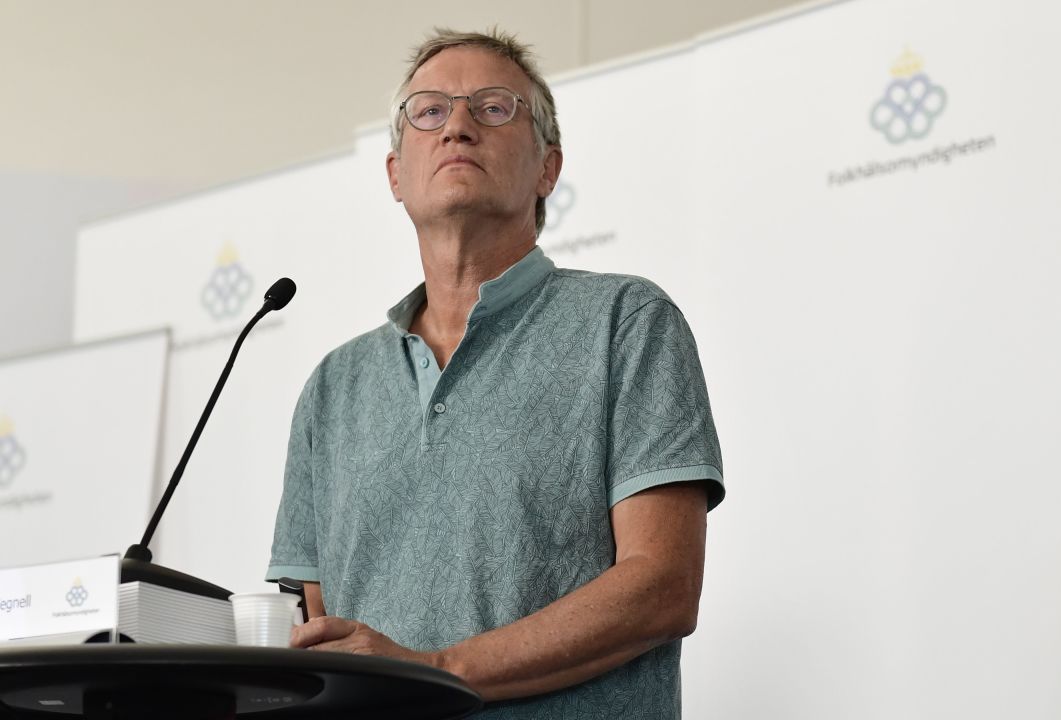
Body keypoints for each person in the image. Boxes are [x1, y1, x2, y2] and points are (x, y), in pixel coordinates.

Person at [266, 28, 724, 719]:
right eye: (429, 111)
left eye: (493, 108)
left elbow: (662, 586)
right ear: (395, 173)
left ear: (548, 168)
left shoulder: (625, 322)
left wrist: (435, 670)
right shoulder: (333, 387)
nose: (456, 125)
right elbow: (315, 635)